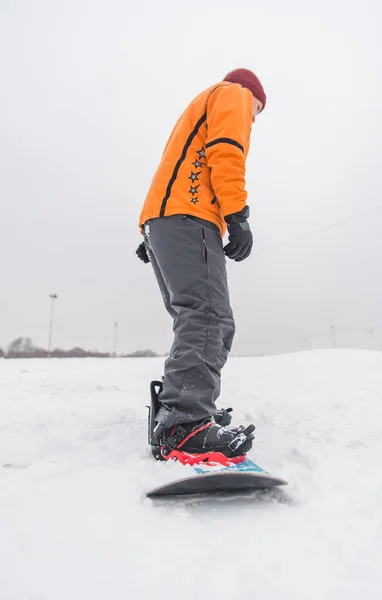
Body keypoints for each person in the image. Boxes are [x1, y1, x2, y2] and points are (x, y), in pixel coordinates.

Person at [136, 68, 266, 463]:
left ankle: (177, 412)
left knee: (192, 316)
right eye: (258, 111)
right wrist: (237, 215)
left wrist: (155, 234)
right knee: (210, 317)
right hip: (191, 218)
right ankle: (186, 425)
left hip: (164, 219)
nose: (254, 117)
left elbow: (173, 167)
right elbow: (226, 149)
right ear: (255, 97)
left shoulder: (196, 107)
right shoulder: (235, 93)